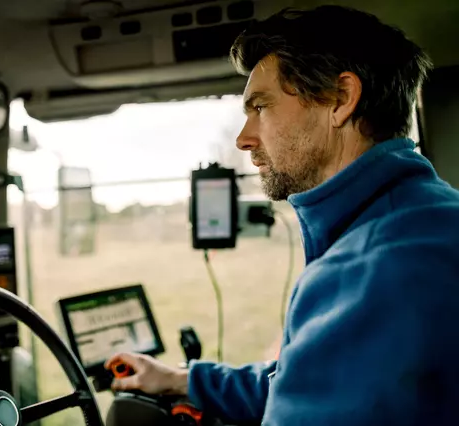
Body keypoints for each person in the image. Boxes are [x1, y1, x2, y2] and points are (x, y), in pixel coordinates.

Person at [105, 5, 459, 425]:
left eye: (261, 107)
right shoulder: (423, 219)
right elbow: (305, 382)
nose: (243, 138)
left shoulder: (370, 269)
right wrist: (183, 380)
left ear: (340, 99)